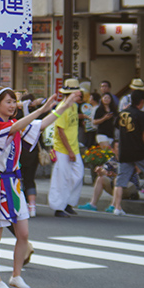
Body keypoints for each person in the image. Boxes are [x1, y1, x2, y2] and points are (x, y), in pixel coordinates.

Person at [0, 87, 77, 288]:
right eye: (8, 101)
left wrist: (64, 106)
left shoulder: (15, 125)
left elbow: (41, 125)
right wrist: (41, 108)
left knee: (23, 234)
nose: (12, 105)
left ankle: (16, 276)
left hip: (14, 185)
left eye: (14, 102)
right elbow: (17, 127)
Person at [111, 89, 144, 216]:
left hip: (124, 150)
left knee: (120, 180)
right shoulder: (141, 115)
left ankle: (117, 207)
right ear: (142, 102)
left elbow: (117, 130)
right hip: (138, 151)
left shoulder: (122, 113)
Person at [48, 79, 83, 218]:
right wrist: (69, 150)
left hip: (73, 148)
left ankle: (68, 203)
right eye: (77, 91)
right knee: (61, 179)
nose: (80, 93)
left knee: (78, 175)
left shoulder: (74, 106)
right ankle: (58, 207)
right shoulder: (62, 107)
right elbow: (60, 131)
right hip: (63, 149)